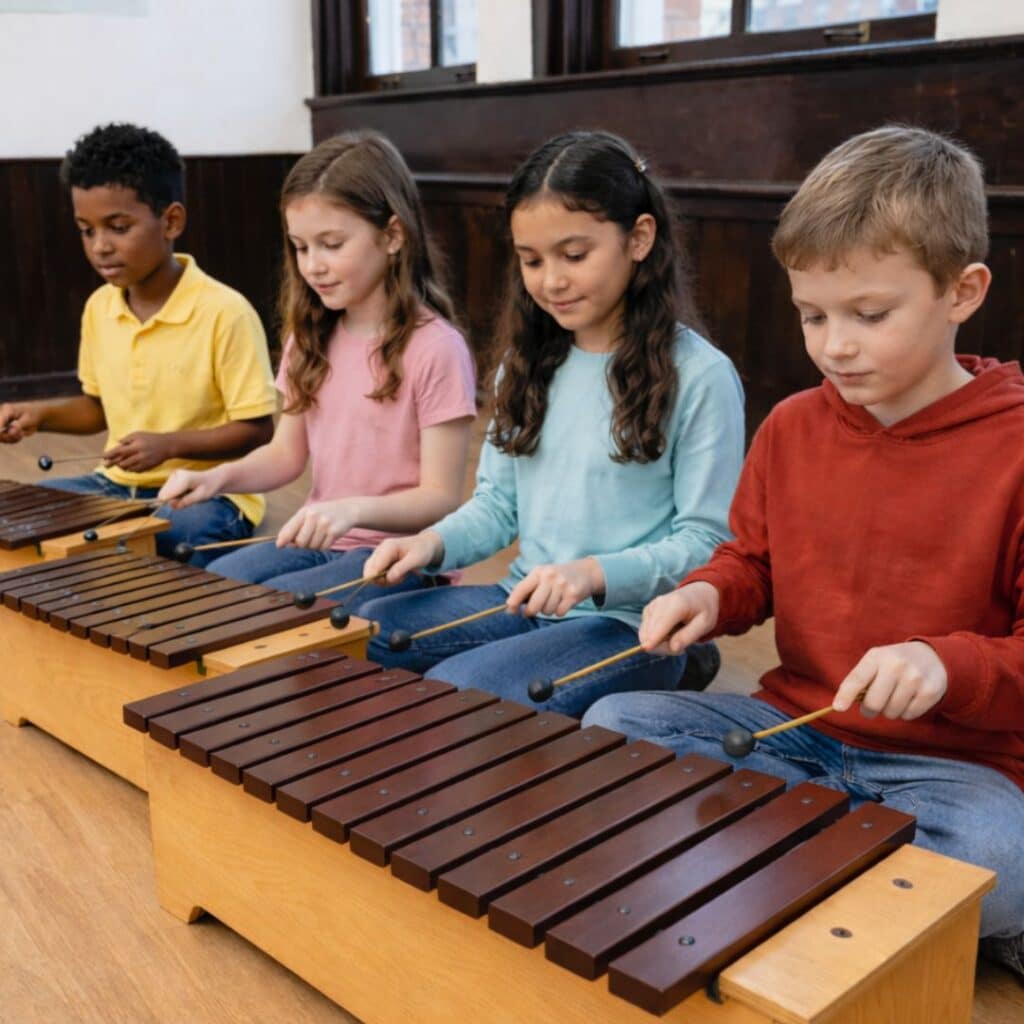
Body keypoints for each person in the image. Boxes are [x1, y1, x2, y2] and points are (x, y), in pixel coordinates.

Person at [582, 125, 1024, 976]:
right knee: (614, 724)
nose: (834, 346)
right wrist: (710, 596)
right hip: (792, 729)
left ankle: (791, 861)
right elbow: (753, 562)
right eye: (812, 315)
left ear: (962, 291)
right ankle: (874, 884)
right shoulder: (793, 425)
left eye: (870, 314)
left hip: (951, 768)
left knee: (999, 856)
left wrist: (948, 666)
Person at [360, 130, 745, 716]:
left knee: (459, 694)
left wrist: (594, 574)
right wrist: (430, 543)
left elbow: (707, 545)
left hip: (635, 627)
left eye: (574, 255)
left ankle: (674, 671)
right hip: (525, 600)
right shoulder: (526, 363)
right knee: (366, 633)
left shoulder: (701, 376)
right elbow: (498, 507)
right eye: (531, 260)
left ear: (639, 238)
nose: (551, 281)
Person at [159, 132, 476, 607]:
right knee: (217, 587)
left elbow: (441, 498)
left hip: (403, 558)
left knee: (276, 609)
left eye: (331, 244)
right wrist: (215, 479)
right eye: (300, 247)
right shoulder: (308, 339)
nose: (313, 266)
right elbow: (286, 455)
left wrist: (352, 510)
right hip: (324, 544)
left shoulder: (436, 349)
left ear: (392, 235)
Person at [0, 123, 276, 566]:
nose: (100, 247)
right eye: (86, 230)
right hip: (111, 485)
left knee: (147, 544)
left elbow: (258, 430)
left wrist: (168, 445)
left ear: (171, 221)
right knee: (17, 518)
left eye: (118, 227)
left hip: (205, 494)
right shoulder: (99, 308)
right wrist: (39, 414)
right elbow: (98, 410)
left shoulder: (226, 312)